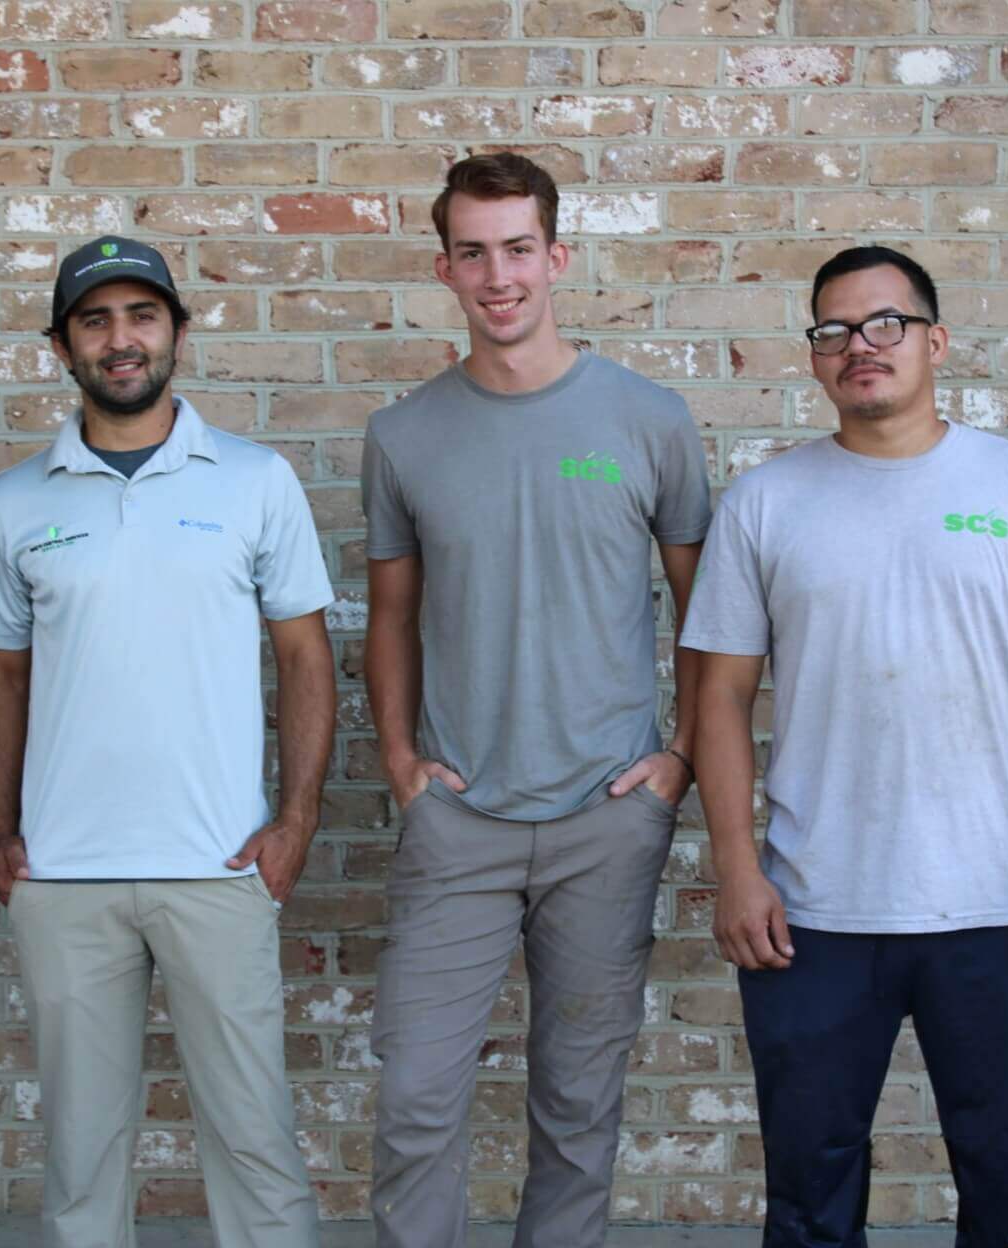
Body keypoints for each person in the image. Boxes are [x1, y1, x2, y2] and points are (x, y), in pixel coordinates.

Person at [683, 245, 1008, 1248]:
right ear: (813, 357)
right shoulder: (765, 503)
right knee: (806, 1199)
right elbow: (719, 698)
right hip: (811, 911)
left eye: (883, 323)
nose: (857, 347)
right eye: (831, 330)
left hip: (996, 904)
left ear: (934, 340)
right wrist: (736, 869)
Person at [362, 154, 712, 1247]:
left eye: (517, 249)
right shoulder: (402, 435)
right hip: (459, 818)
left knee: (576, 1108)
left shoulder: (648, 420)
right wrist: (398, 762)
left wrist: (681, 759)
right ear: (444, 268)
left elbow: (707, 615)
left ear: (555, 258)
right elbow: (387, 618)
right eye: (472, 252)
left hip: (605, 817)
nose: (497, 274)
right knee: (415, 1097)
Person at [0, 235, 335, 1248]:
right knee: (82, 1160)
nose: (120, 341)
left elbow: (305, 659)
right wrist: (1, 833)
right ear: (61, 345)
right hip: (64, 873)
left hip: (217, 866)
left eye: (140, 317)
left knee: (254, 1142)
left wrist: (293, 820)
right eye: (95, 321)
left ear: (175, 330)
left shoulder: (255, 482)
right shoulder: (16, 500)